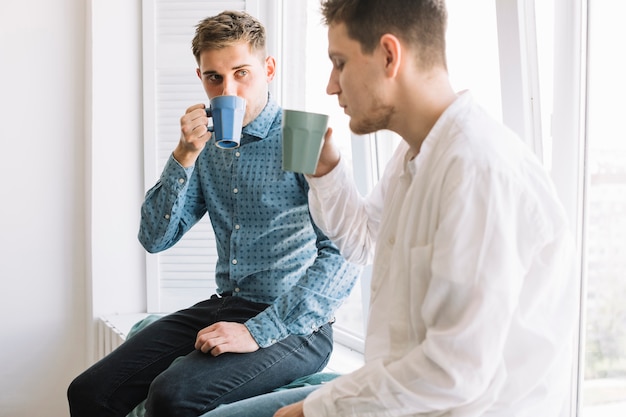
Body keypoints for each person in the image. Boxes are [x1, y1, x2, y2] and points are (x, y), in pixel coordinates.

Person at [201, 0, 578, 416]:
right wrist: (326, 172)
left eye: (339, 63)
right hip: (401, 391)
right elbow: (361, 242)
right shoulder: (412, 155)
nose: (331, 85)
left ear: (388, 55)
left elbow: (453, 372)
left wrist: (315, 410)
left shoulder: (477, 171)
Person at [67, 10, 360, 417]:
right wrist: (184, 154)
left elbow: (343, 255)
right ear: (201, 78)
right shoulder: (205, 146)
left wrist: (258, 331)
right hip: (227, 304)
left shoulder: (301, 136)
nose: (229, 90)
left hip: (297, 325)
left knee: (172, 395)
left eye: (242, 72)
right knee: (88, 391)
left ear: (269, 68)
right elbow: (154, 238)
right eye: (215, 78)